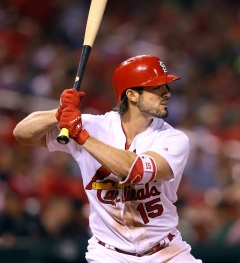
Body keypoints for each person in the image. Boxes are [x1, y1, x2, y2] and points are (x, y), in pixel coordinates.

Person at [13, 55, 202, 262]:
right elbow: (22, 133)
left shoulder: (173, 138)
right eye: (157, 87)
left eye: (166, 86)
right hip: (109, 253)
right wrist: (58, 113)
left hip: (165, 252)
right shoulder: (96, 126)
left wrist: (82, 137)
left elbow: (136, 171)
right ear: (131, 95)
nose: (167, 93)